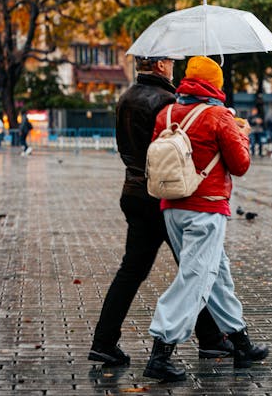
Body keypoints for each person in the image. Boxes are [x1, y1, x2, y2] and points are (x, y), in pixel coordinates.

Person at [88, 56, 232, 368]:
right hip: (165, 194)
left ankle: (104, 341)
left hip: (133, 191)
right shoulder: (167, 101)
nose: (173, 66)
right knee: (196, 268)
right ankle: (209, 341)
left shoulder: (125, 98)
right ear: (160, 65)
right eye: (170, 61)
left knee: (132, 271)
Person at [143, 56, 269, 383]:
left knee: (217, 273)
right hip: (207, 207)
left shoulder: (167, 113)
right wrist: (242, 133)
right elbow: (239, 165)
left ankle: (240, 341)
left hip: (172, 204)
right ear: (216, 84)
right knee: (197, 276)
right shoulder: (218, 115)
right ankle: (162, 350)